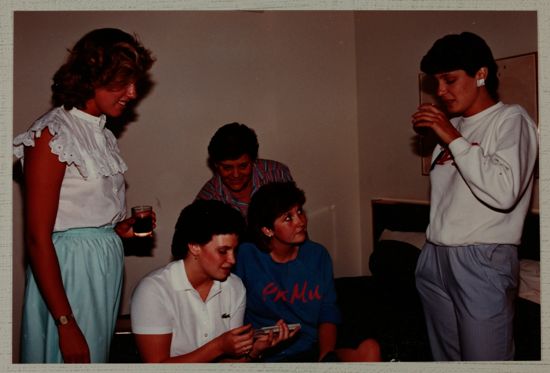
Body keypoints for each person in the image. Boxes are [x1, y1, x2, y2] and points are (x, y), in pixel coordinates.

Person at [13, 28, 155, 363]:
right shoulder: (53, 134)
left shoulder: (102, 134)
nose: (133, 93)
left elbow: (83, 213)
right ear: (93, 77)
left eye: (135, 82)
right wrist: (65, 322)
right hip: (69, 272)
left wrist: (117, 229)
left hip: (103, 267)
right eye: (123, 82)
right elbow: (37, 238)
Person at [411, 32, 538, 361]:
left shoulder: (512, 120)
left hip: (481, 258)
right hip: (435, 256)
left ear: (481, 74)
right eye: (436, 82)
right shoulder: (451, 126)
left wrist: (451, 136)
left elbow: (504, 192)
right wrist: (450, 133)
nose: (440, 92)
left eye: (449, 80)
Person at [130, 200, 296, 362]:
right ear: (194, 246)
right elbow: (157, 368)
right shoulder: (153, 290)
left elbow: (227, 365)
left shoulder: (234, 286)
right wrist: (219, 347)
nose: (232, 260)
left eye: (234, 250)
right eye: (223, 251)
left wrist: (254, 351)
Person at [234, 182, 381, 362]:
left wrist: (325, 356)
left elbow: (328, 311)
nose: (300, 222)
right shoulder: (246, 256)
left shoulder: (317, 255)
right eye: (288, 218)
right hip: (266, 354)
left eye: (299, 211)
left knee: (369, 349)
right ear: (267, 229)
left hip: (312, 347)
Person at [196, 122, 293, 217]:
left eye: (243, 166)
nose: (236, 174)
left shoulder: (277, 174)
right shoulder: (207, 200)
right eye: (227, 168)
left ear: (253, 161)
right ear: (216, 165)